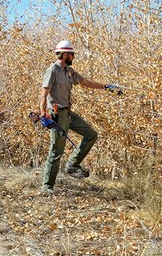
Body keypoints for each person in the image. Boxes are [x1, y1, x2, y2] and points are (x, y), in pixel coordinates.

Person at [38, 40, 117, 193]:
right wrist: (43, 114)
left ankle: (72, 165)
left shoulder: (69, 71)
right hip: (56, 115)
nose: (73, 57)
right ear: (65, 54)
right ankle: (47, 187)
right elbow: (43, 94)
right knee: (56, 152)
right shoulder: (52, 70)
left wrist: (106, 87)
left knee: (91, 134)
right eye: (72, 55)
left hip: (68, 113)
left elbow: (86, 82)